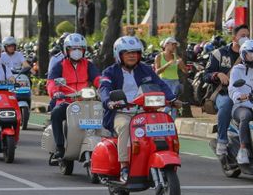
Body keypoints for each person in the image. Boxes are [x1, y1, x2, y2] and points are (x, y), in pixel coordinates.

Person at [99, 36, 180, 183]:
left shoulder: (146, 69)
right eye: (128, 53)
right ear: (119, 54)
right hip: (121, 112)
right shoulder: (110, 72)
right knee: (125, 126)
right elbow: (104, 88)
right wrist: (109, 102)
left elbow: (160, 84)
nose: (132, 56)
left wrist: (172, 99)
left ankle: (157, 158)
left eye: (135, 53)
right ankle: (124, 167)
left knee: (162, 124)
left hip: (145, 110)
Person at [47, 33, 101, 160]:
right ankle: (59, 147)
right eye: (73, 49)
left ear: (84, 51)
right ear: (67, 50)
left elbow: (97, 77)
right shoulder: (59, 65)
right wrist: (55, 92)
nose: (77, 52)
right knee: (56, 114)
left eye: (80, 49)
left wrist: (103, 85)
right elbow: (51, 82)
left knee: (103, 112)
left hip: (86, 101)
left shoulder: (88, 65)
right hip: (66, 101)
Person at [203, 24, 250, 155]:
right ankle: (222, 141)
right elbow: (205, 75)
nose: (246, 38)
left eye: (248, 35)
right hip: (223, 93)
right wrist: (217, 74)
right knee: (226, 104)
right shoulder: (219, 53)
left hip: (247, 95)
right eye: (243, 35)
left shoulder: (250, 54)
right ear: (234, 38)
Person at [229, 39, 253, 166]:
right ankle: (243, 149)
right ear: (244, 54)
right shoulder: (237, 70)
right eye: (251, 54)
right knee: (246, 117)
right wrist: (242, 96)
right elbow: (233, 89)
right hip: (242, 106)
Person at [154, 37, 187, 119]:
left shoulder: (176, 56)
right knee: (170, 104)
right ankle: (160, 117)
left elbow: (185, 71)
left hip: (175, 82)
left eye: (175, 45)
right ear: (166, 45)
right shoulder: (159, 57)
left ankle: (171, 124)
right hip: (164, 82)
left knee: (174, 106)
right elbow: (157, 72)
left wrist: (181, 63)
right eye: (173, 44)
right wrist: (168, 64)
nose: (174, 47)